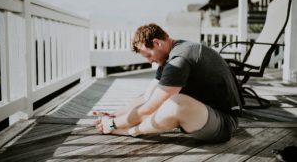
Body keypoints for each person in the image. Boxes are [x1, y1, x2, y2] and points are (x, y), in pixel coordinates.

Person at [95, 23, 242, 143]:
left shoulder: (179, 59)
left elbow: (150, 107)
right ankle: (124, 125)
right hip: (203, 114)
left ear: (157, 43)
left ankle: (131, 131)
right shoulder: (169, 58)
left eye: (148, 55)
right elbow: (146, 98)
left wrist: (113, 124)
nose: (149, 61)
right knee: (153, 97)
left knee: (176, 104)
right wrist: (114, 115)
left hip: (224, 122)